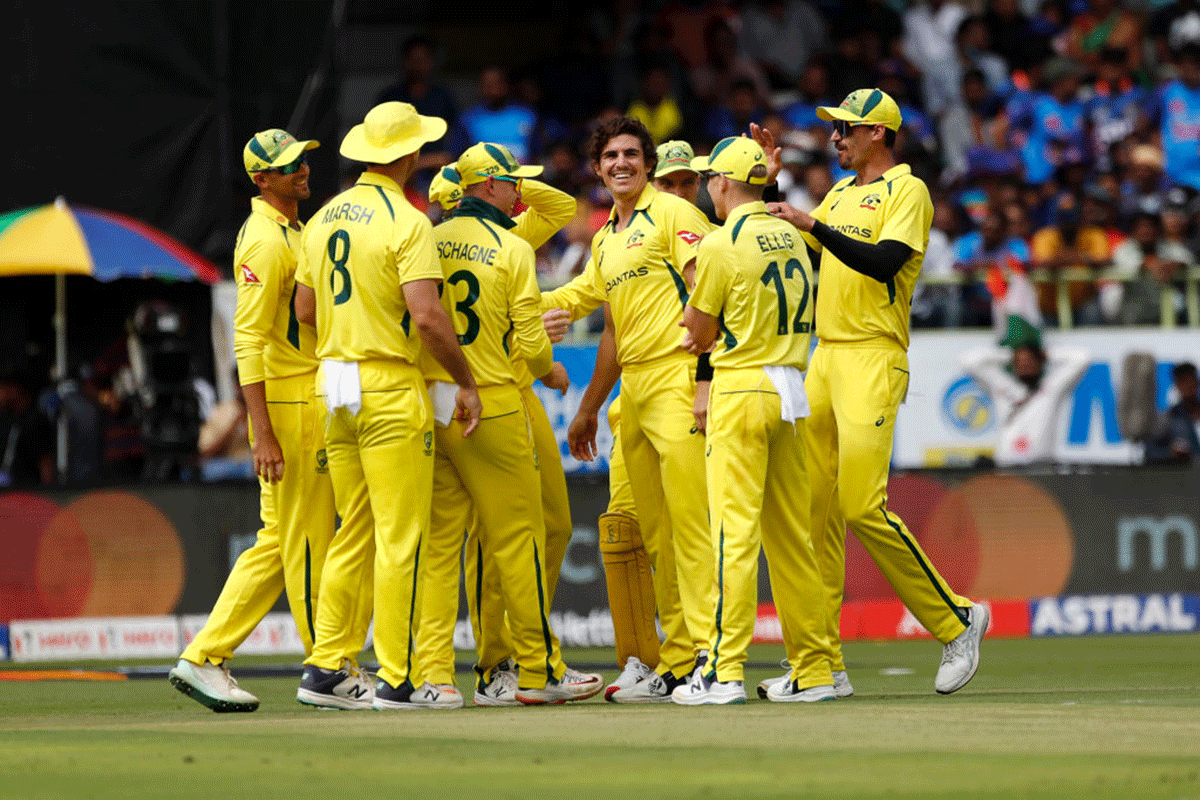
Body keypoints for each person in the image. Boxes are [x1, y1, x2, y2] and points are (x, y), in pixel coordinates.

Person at [768, 89, 989, 696]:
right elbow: (801, 240)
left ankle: (957, 619)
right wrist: (769, 190)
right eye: (836, 129)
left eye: (847, 129)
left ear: (879, 135)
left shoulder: (907, 191)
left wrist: (813, 222)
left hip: (872, 356)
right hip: (824, 356)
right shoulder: (840, 192)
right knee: (813, 511)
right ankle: (822, 664)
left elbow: (886, 261)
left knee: (862, 505)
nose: (836, 138)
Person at [293, 102, 482, 710]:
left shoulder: (321, 219)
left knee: (357, 532)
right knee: (404, 537)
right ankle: (398, 678)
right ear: (405, 156)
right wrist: (466, 379)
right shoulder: (407, 218)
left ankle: (325, 666)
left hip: (334, 382)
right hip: (387, 384)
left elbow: (302, 311)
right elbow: (427, 316)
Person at [415, 142, 602, 707]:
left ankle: (433, 674)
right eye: (510, 182)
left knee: (446, 543)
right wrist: (551, 372)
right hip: (493, 398)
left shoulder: (425, 240)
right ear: (487, 187)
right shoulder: (509, 247)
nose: (521, 192)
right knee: (516, 540)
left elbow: (555, 205)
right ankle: (533, 669)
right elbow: (530, 340)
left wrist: (467, 183)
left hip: (437, 396)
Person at [540, 137, 712, 701]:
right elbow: (585, 305)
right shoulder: (607, 239)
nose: (620, 164)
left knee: (690, 526)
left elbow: (710, 287)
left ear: (647, 165)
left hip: (677, 375)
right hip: (635, 387)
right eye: (610, 157)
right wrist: (510, 304)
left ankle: (710, 660)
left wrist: (707, 375)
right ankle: (678, 661)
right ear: (597, 169)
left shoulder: (672, 212)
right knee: (656, 534)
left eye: (630, 156)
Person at [168, 129, 334, 712]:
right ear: (260, 179)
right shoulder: (265, 239)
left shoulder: (291, 228)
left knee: (279, 541)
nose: (301, 171)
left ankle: (204, 656)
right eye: (287, 166)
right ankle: (328, 668)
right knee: (309, 539)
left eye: (302, 160)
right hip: (290, 402)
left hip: (300, 393)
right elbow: (249, 340)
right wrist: (260, 430)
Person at [674, 135, 835, 705]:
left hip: (742, 388)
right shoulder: (791, 232)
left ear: (721, 183)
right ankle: (816, 671)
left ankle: (722, 674)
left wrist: (691, 324)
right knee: (792, 538)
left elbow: (700, 329)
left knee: (731, 537)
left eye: (707, 180)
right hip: (791, 386)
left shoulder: (721, 243)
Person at [961, 317, 1089, 468]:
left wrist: (1043, 354)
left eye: (1030, 361)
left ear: (1040, 363)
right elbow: (968, 361)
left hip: (1042, 468)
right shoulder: (1003, 385)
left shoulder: (1051, 388)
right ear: (1013, 365)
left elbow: (1082, 358)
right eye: (1020, 362)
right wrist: (1010, 354)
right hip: (1006, 469)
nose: (1025, 364)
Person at [1146, 362, 1200, 464]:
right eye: (1183, 381)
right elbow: (1150, 453)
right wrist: (1171, 455)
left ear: (1197, 381)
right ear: (1176, 385)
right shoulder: (1169, 419)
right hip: (1189, 478)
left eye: (1191, 380)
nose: (1188, 385)